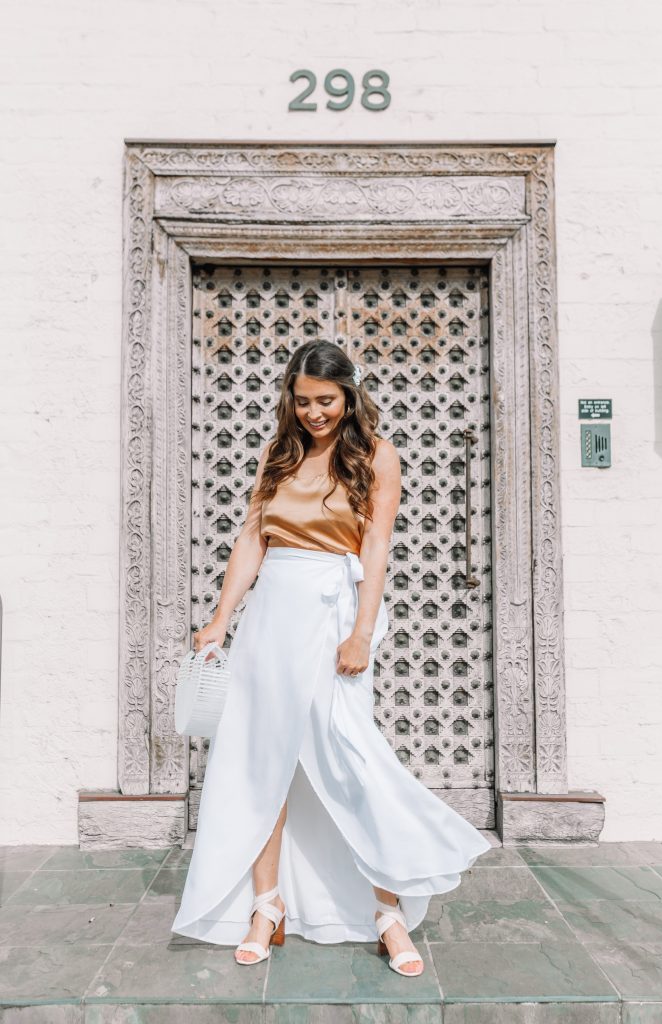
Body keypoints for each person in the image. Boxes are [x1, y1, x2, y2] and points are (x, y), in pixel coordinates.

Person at [171, 340, 492, 976]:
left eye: (326, 400)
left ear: (348, 395)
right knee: (262, 761)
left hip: (333, 617)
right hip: (270, 617)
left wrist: (362, 633)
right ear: (290, 400)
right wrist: (218, 618)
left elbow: (376, 548)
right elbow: (250, 541)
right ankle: (267, 906)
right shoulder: (277, 454)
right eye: (304, 401)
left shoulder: (377, 456)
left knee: (349, 759)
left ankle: (388, 911)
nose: (315, 412)